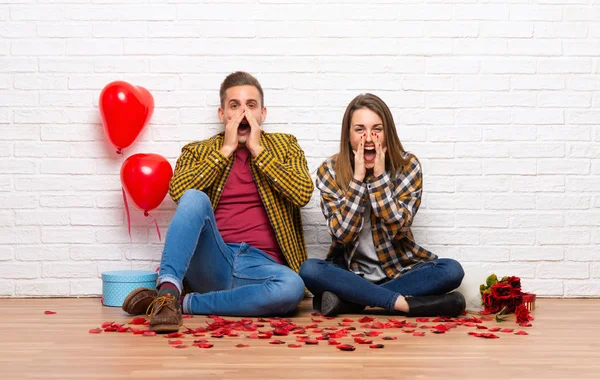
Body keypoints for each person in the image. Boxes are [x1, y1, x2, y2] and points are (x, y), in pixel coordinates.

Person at [121, 72, 313, 333]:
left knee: (292, 288)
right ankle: (167, 292)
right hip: (214, 259)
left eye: (251, 106)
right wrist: (225, 150)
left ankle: (182, 303)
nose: (243, 113)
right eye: (235, 106)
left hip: (262, 268)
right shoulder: (197, 151)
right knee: (194, 196)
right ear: (222, 115)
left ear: (263, 115)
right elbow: (179, 193)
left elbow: (302, 193)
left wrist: (258, 150)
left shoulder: (285, 145)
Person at [299, 93, 466, 317]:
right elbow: (342, 235)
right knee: (309, 269)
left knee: (452, 270)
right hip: (350, 273)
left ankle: (352, 302)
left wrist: (379, 178)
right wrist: (357, 180)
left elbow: (398, 228)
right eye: (359, 129)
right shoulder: (329, 170)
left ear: (387, 133)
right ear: (348, 135)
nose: (368, 138)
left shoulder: (408, 166)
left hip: (400, 271)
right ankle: (405, 305)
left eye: (376, 128)